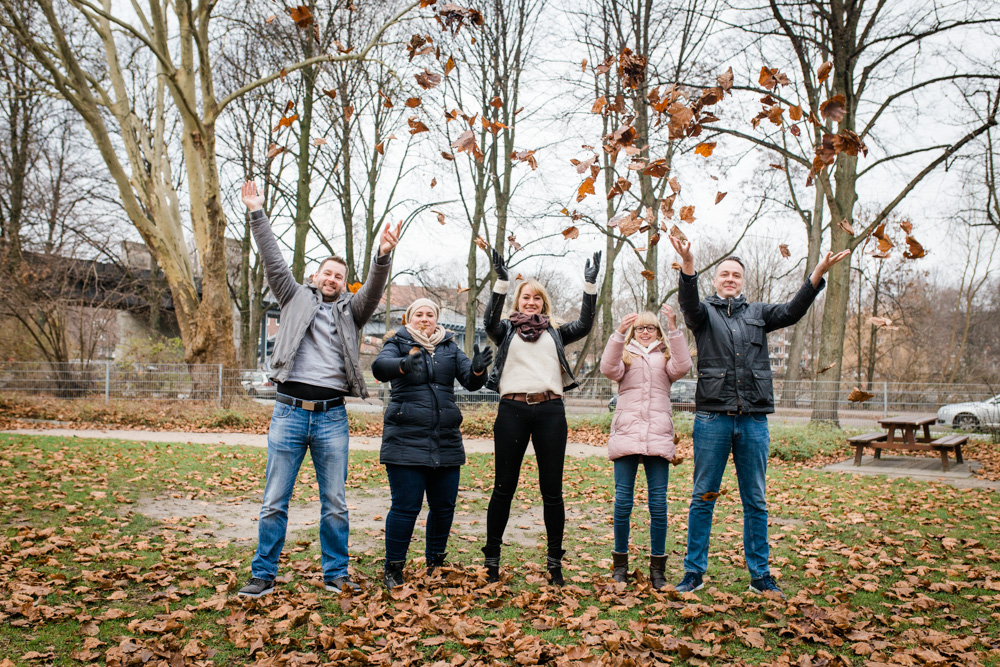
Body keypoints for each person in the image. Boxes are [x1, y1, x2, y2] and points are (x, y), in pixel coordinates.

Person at [237, 180, 400, 598]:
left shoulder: (352, 312)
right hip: (288, 413)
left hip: (331, 417)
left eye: (340, 276)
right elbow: (273, 259)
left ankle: (335, 574)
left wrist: (383, 255)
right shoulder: (293, 296)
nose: (332, 279)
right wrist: (256, 212)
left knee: (335, 504)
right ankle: (263, 574)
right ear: (315, 276)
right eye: (327, 273)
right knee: (275, 500)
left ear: (345, 284)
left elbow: (374, 290)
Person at [669, 236, 850, 597]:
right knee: (703, 496)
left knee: (755, 500)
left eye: (736, 275)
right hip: (712, 419)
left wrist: (817, 273)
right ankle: (693, 573)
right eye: (724, 274)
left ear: (743, 281)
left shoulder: (759, 313)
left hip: (753, 420)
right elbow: (687, 302)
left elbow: (793, 311)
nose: (730, 279)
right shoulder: (703, 315)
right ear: (715, 280)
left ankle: (760, 576)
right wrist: (688, 264)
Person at [481, 248, 601, 586]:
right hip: (512, 411)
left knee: (552, 490)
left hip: (550, 412)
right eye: (525, 297)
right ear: (518, 302)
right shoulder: (505, 330)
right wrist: (502, 281)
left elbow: (585, 324)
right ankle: (491, 562)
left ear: (543, 303)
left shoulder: (556, 331)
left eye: (537, 298)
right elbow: (488, 322)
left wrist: (589, 286)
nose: (531, 302)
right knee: (503, 487)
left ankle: (554, 564)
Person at [371, 298, 493, 589]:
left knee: (444, 507)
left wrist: (478, 370)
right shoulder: (398, 342)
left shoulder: (449, 346)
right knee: (406, 507)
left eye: (430, 314)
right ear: (409, 318)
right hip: (406, 439)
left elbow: (471, 381)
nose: (424, 318)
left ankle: (435, 563)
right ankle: (394, 568)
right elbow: (379, 368)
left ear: (436, 319)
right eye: (419, 314)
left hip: (446, 439)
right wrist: (404, 364)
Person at [599, 306, 692, 589]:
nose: (645, 332)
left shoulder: (666, 356)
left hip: (658, 436)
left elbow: (683, 367)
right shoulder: (625, 354)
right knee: (623, 503)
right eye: (639, 328)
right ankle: (620, 567)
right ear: (633, 332)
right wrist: (618, 333)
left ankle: (657, 570)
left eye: (651, 327)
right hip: (627, 435)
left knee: (658, 505)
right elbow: (607, 369)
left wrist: (673, 328)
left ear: (658, 331)